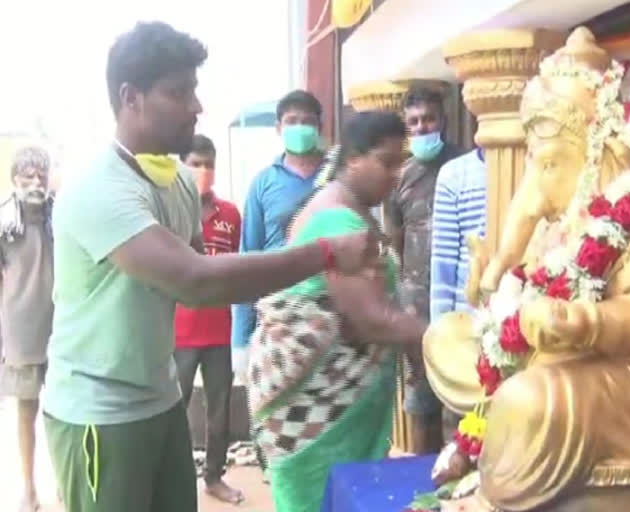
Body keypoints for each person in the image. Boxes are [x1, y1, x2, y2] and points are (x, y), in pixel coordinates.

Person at [41, 22, 381, 512]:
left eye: (194, 90)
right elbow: (196, 280)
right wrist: (325, 253)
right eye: (178, 93)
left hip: (160, 400)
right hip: (99, 412)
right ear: (130, 97)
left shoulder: (178, 180)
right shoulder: (100, 187)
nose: (196, 106)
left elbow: (204, 269)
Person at [249, 111, 427, 512]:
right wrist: (439, 338)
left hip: (342, 403)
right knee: (321, 500)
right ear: (352, 160)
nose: (396, 174)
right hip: (317, 408)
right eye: (387, 162)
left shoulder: (354, 209)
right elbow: (370, 319)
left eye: (402, 163)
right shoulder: (335, 218)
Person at [383, 87, 462, 454]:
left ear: (442, 120)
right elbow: (394, 240)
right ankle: (419, 478)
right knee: (419, 398)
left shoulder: (463, 165)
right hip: (416, 302)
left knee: (461, 394)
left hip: (460, 297)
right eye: (413, 122)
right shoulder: (399, 175)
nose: (422, 127)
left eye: (428, 119)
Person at [231, 90, 325, 378]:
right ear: (278, 128)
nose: (299, 128)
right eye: (291, 121)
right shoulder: (263, 183)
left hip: (329, 315)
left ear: (320, 127)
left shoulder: (337, 175)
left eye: (307, 121)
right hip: (278, 319)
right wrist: (240, 340)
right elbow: (249, 258)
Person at [172, 134, 243, 504]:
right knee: (172, 412)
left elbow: (237, 268)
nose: (203, 171)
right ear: (180, 165)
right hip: (178, 333)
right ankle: (173, 478)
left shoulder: (230, 214)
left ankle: (214, 477)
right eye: (195, 163)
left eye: (209, 164)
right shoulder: (166, 211)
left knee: (220, 413)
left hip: (219, 331)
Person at [0, 146, 54, 512]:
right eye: (28, 175)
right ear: (13, 178)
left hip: (63, 329)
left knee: (65, 410)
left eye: (41, 175)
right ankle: (30, 488)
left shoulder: (60, 217)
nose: (35, 181)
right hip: (21, 331)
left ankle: (66, 483)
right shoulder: (5, 224)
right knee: (26, 410)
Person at [429, 147, 487, 442]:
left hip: (519, 316)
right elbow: (444, 260)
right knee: (464, 428)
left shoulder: (540, 162)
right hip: (468, 321)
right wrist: (442, 332)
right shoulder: (454, 173)